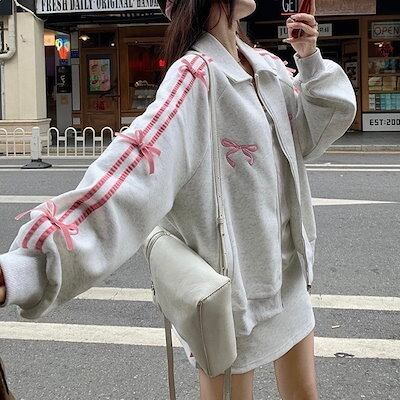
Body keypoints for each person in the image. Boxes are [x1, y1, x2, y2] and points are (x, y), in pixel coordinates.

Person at [0, 0, 356, 399]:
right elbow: (132, 172)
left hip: (288, 277)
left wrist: (309, 59)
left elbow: (310, 137)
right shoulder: (195, 77)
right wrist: (23, 269)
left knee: (305, 394)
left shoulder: (266, 66)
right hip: (235, 295)